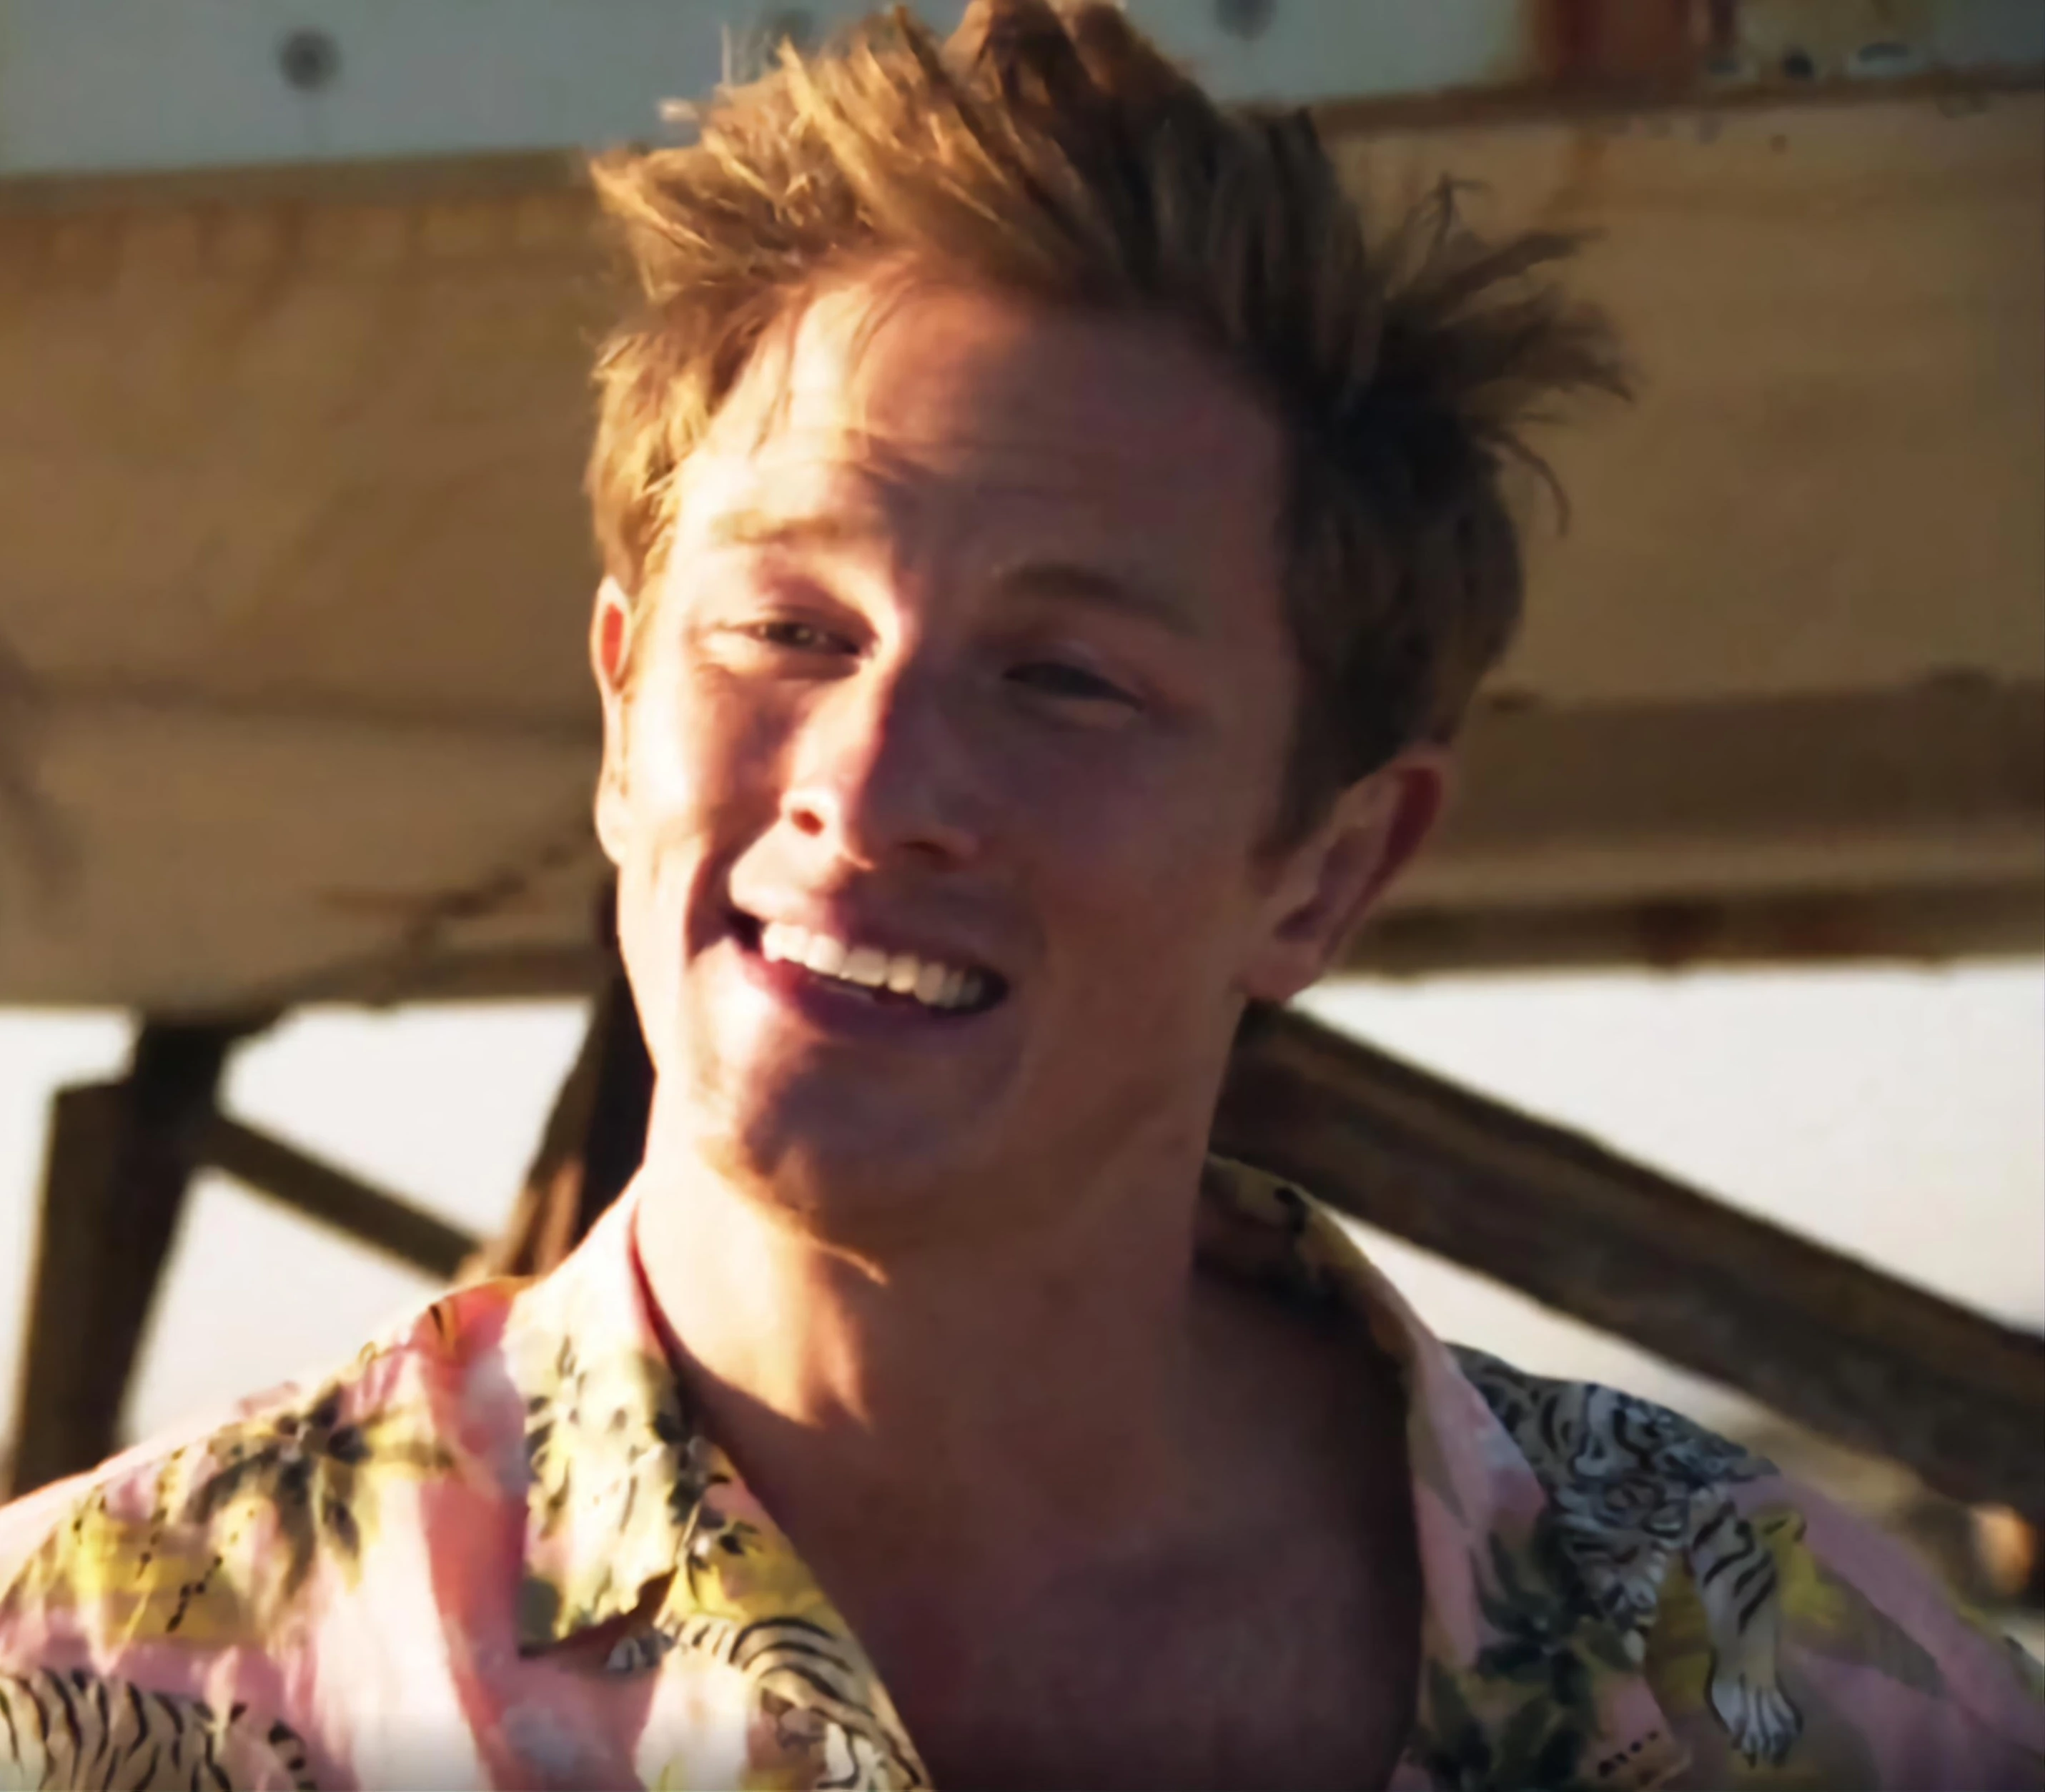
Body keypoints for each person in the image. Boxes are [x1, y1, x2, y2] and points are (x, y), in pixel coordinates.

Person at [2, 3, 2040, 1787]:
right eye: (788, 630)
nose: (875, 790)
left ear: (1326, 870)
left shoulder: (1781, 1692)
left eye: (1065, 679)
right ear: (623, 717)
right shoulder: (110, 1686)